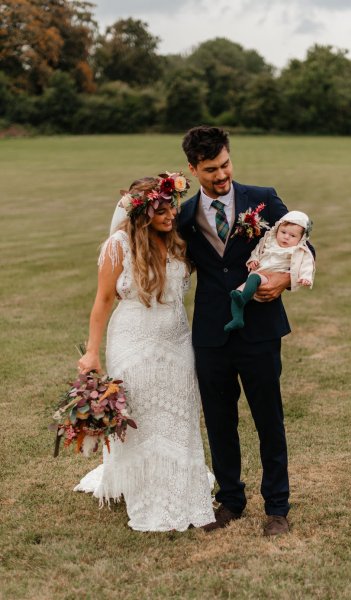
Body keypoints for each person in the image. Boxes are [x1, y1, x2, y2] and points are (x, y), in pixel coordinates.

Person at [178, 126, 314, 536]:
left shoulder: (263, 199)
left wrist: (283, 281)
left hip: (259, 330)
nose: (221, 176)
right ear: (192, 168)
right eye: (210, 170)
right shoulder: (184, 215)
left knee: (268, 418)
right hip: (210, 332)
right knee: (219, 420)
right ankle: (230, 501)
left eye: (225, 165)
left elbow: (305, 248)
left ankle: (277, 507)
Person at [74, 173, 215, 532]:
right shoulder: (119, 245)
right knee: (143, 414)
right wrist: (92, 353)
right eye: (162, 209)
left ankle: (183, 484)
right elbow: (103, 300)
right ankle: (145, 490)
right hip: (133, 339)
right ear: (142, 212)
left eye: (173, 207)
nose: (171, 214)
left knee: (179, 412)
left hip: (178, 340)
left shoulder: (179, 240)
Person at [224, 210, 315, 332]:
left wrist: (305, 277)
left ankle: (243, 299)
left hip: (271, 277)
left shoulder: (298, 250)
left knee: (254, 278)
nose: (286, 237)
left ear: (301, 238)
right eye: (283, 232)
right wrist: (253, 260)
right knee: (237, 292)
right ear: (277, 229)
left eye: (292, 236)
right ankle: (237, 319)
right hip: (260, 271)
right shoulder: (268, 241)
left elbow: (307, 264)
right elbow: (257, 251)